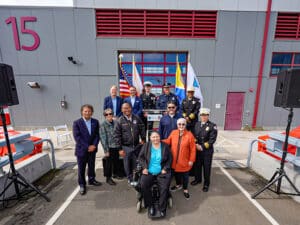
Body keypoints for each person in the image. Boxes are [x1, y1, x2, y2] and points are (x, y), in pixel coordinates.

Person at [138, 131, 172, 218]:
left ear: (159, 137)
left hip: (162, 172)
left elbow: (170, 159)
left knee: (164, 188)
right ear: (150, 138)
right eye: (153, 137)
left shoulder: (165, 146)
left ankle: (162, 208)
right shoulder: (146, 146)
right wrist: (144, 168)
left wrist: (165, 169)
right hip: (149, 171)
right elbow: (140, 158)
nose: (155, 139)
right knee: (143, 185)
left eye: (157, 137)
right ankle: (151, 206)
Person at [163, 118, 196, 199]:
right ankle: (178, 185)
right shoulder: (173, 133)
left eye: (183, 124)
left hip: (184, 161)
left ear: (185, 125)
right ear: (177, 125)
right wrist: (157, 141)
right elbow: (168, 141)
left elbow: (193, 149)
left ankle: (185, 189)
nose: (181, 126)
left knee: (185, 176)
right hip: (174, 161)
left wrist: (191, 160)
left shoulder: (190, 135)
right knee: (177, 175)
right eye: (179, 124)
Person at [114, 103, 146, 184]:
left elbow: (142, 127)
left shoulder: (136, 118)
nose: (126, 110)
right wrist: (120, 149)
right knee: (127, 164)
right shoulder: (119, 120)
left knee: (136, 163)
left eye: (128, 108)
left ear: (131, 108)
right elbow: (117, 136)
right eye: (124, 108)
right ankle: (129, 178)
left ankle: (135, 177)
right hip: (126, 147)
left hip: (136, 146)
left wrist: (143, 138)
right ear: (122, 110)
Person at [73, 104, 101, 195]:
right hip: (82, 150)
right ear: (82, 112)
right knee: (81, 168)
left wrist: (94, 145)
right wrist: (87, 146)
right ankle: (82, 184)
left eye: (89, 111)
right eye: (85, 111)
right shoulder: (77, 123)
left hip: (92, 149)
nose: (87, 112)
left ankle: (92, 179)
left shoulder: (95, 122)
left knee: (91, 166)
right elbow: (77, 137)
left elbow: (97, 135)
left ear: (92, 112)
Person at [191, 108, 218, 192]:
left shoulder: (212, 126)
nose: (203, 117)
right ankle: (198, 179)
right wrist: (195, 144)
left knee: (206, 168)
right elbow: (194, 136)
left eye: (205, 115)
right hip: (197, 149)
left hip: (207, 151)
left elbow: (212, 140)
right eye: (202, 115)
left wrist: (202, 146)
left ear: (208, 115)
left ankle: (206, 184)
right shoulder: (197, 124)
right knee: (197, 166)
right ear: (200, 116)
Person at [100, 108, 122, 185]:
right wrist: (106, 150)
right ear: (105, 116)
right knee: (108, 163)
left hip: (117, 146)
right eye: (107, 114)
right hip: (109, 146)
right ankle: (108, 178)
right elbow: (103, 138)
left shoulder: (116, 122)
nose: (109, 115)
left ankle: (115, 174)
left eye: (110, 114)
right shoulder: (103, 125)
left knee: (116, 161)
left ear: (112, 114)